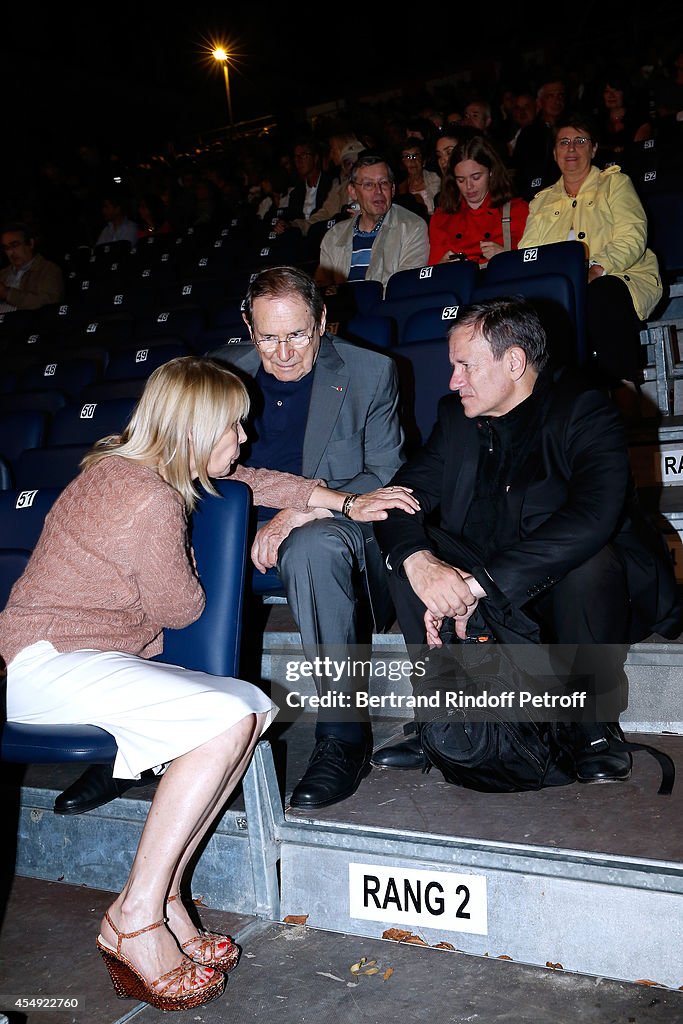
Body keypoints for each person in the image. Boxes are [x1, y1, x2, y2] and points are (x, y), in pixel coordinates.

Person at [0, 357, 279, 1011]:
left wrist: (322, 499)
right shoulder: (150, 496)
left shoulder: (119, 467)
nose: (244, 438)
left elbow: (247, 478)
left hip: (66, 657)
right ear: (194, 430)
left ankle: (169, 899)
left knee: (252, 706)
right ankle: (136, 917)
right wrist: (190, 554)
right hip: (47, 665)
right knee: (227, 720)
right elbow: (181, 608)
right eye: (233, 426)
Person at [371, 297, 680, 775]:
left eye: (465, 366)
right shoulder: (455, 417)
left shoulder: (585, 407)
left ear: (514, 362)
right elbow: (398, 497)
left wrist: (477, 585)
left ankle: (591, 726)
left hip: (567, 593)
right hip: (487, 577)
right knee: (413, 554)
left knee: (590, 558)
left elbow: (592, 518)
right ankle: (444, 716)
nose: (454, 380)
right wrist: (420, 563)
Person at [209, 265, 419, 809]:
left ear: (323, 321)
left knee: (313, 546)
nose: (281, 353)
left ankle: (343, 736)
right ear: (248, 331)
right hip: (242, 523)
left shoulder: (371, 372)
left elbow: (384, 477)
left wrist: (299, 511)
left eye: (297, 334)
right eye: (267, 337)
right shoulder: (222, 373)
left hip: (338, 527)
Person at [517, 112, 663, 410]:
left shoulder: (615, 184)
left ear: (594, 148)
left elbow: (632, 236)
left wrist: (596, 269)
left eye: (580, 141)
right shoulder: (541, 200)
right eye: (564, 142)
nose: (571, 149)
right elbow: (528, 254)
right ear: (555, 151)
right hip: (563, 289)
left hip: (621, 276)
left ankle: (623, 385)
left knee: (601, 292)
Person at [314, 151, 429, 292]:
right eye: (369, 184)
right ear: (353, 192)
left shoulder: (412, 227)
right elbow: (322, 287)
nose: (378, 191)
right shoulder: (335, 236)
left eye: (384, 183)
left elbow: (405, 287)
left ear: (392, 189)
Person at [428, 134, 528, 266]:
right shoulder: (441, 218)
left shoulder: (518, 210)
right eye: (461, 180)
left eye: (476, 177)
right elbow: (431, 277)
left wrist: (507, 257)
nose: (469, 187)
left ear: (491, 171)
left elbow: (533, 266)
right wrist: (441, 267)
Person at [511, 76, 566, 200]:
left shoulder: (575, 127)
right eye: (550, 96)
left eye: (560, 96)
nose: (556, 101)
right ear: (539, 102)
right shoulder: (528, 134)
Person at [0, 221, 65, 312]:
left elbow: (50, 302)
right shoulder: (3, 274)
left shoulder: (48, 270)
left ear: (30, 243)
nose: (10, 252)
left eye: (14, 245)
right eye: (6, 248)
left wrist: (7, 293)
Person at [396, 138, 441, 218]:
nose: (412, 161)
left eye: (416, 156)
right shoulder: (399, 188)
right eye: (407, 157)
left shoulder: (436, 179)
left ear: (423, 161)